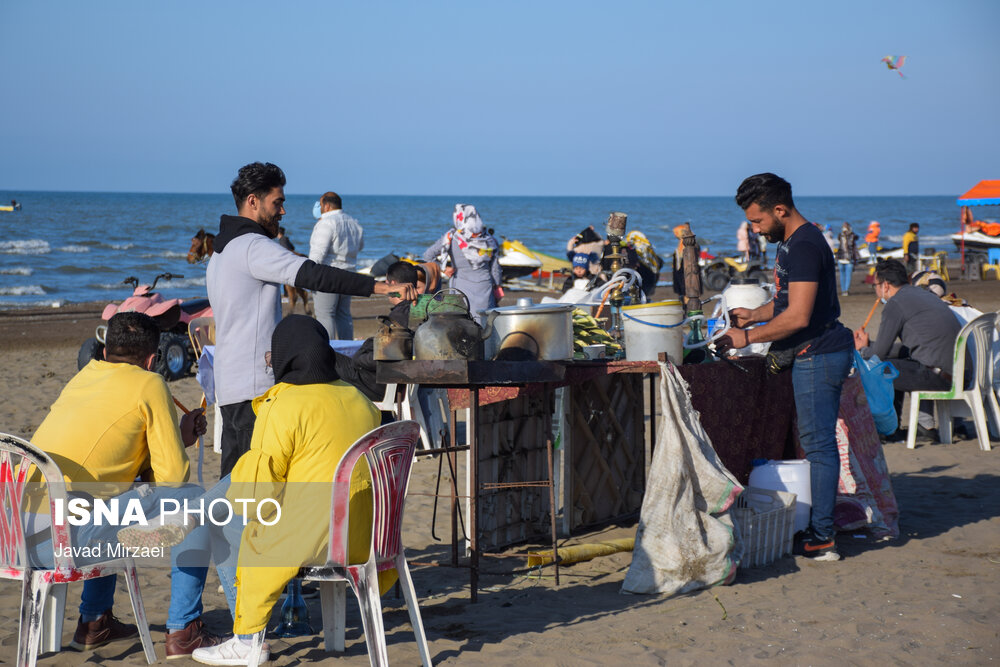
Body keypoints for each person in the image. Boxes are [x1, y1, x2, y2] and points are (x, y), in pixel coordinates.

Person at [179, 316, 381, 666]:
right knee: (233, 500)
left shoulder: (285, 404)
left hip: (315, 538)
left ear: (285, 356)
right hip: (366, 536)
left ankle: (247, 640)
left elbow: (258, 488)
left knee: (228, 522)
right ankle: (196, 511)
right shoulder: (360, 399)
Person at [26, 312, 222, 657]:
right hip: (63, 543)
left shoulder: (84, 376)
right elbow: (174, 479)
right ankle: (183, 629)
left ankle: (95, 621)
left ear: (104, 352)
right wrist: (177, 444)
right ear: (151, 359)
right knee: (196, 502)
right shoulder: (150, 384)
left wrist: (175, 437)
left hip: (18, 535)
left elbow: (111, 463)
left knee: (108, 498)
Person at [207, 163, 414, 477]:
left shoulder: (221, 252)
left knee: (232, 487)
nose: (283, 211)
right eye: (277, 202)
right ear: (253, 201)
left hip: (230, 383)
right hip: (256, 388)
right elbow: (313, 274)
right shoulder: (254, 247)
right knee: (256, 486)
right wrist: (377, 286)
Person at [719, 173, 854, 562]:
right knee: (816, 444)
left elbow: (797, 317)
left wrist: (747, 337)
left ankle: (822, 538)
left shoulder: (806, 245)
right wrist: (753, 315)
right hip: (813, 352)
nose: (756, 230)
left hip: (820, 354)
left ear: (780, 210)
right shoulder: (791, 243)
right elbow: (785, 302)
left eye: (759, 221)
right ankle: (820, 528)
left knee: (819, 447)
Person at [855, 260, 964, 441]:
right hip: (957, 372)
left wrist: (863, 349)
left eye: (875, 285)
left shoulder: (895, 304)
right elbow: (902, 348)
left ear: (885, 286)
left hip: (939, 376)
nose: (875, 290)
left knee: (881, 369)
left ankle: (888, 428)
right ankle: (916, 427)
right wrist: (870, 346)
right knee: (892, 364)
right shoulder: (923, 294)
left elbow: (878, 355)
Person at [334, 261, 419, 403]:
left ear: (392, 284)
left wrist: (360, 356)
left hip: (381, 385)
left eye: (386, 283)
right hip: (404, 382)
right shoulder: (420, 312)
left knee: (329, 358)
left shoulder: (399, 318)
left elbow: (383, 359)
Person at [423, 204, 501, 325]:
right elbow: (495, 269)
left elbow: (428, 255)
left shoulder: (451, 237)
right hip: (484, 287)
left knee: (461, 323)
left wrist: (443, 268)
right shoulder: (490, 240)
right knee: (485, 323)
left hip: (460, 287)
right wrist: (498, 287)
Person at [309, 191, 365, 340]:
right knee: (344, 315)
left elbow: (317, 255)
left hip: (328, 275)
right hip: (349, 273)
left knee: (325, 315)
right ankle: (346, 350)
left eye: (320, 205)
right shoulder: (354, 222)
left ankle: (329, 351)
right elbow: (359, 246)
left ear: (326, 205)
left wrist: (308, 276)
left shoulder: (326, 223)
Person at [836, 222, 860, 295]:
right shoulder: (841, 235)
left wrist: (849, 232)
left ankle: (846, 290)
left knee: (847, 275)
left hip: (849, 258)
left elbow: (856, 237)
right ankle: (844, 290)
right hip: (842, 257)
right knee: (843, 275)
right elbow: (839, 239)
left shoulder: (852, 235)